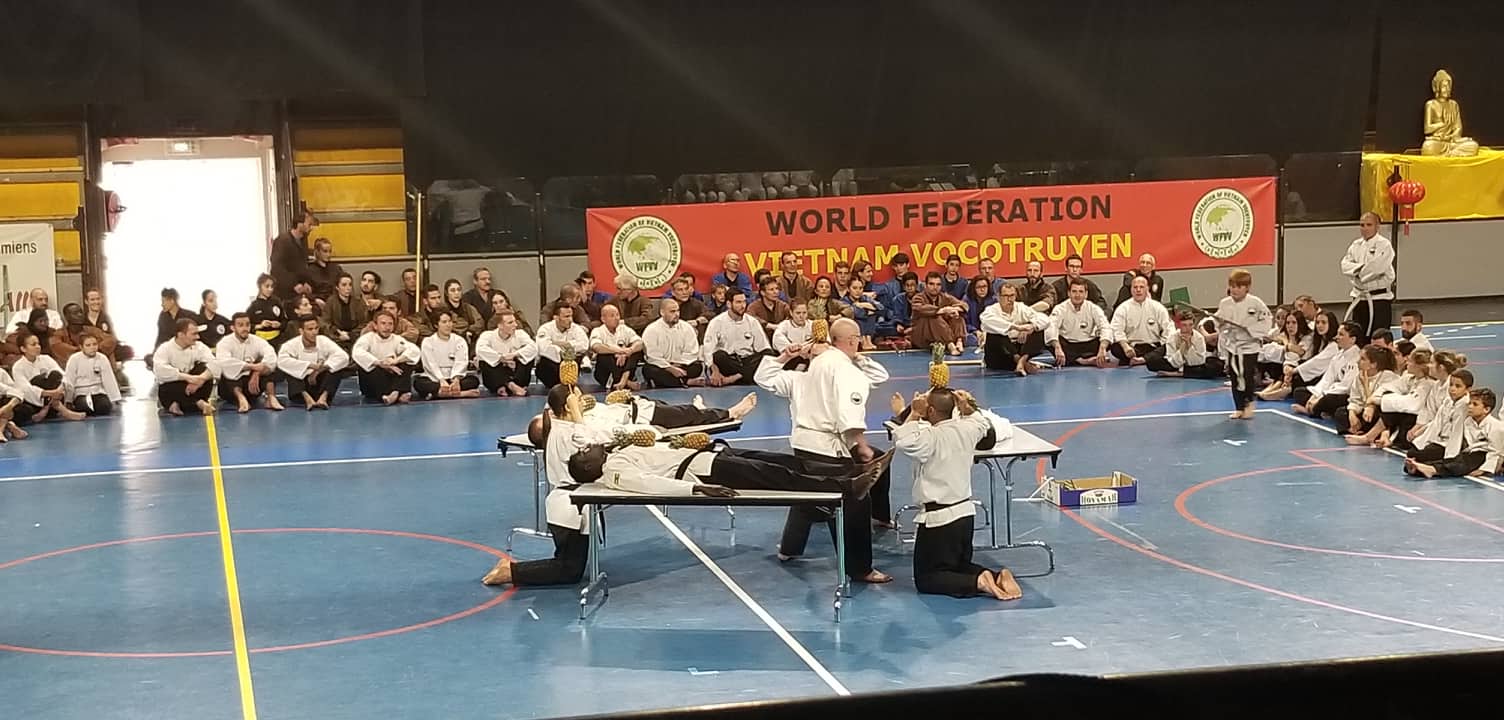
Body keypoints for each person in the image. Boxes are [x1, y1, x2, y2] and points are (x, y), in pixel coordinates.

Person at [756, 318, 894, 584]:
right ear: (853, 340)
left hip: (803, 445)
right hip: (828, 447)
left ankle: (789, 549)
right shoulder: (843, 370)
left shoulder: (806, 373)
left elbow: (763, 377)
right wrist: (861, 444)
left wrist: (785, 356)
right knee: (854, 502)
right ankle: (860, 569)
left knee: (808, 494)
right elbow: (848, 412)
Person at [892, 386, 1023, 600]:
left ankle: (979, 582)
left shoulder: (930, 437)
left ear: (930, 410)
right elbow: (982, 423)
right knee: (957, 565)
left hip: (938, 520)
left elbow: (903, 440)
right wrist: (968, 408)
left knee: (927, 578)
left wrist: (914, 413)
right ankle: (996, 576)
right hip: (964, 514)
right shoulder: (967, 429)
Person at [1213, 269, 1273, 420]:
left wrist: (1251, 330)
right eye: (1232, 286)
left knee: (1246, 374)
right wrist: (1220, 323)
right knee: (1234, 376)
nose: (1235, 290)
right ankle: (1239, 407)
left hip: (1249, 346)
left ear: (1247, 287)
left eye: (1239, 287)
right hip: (1233, 345)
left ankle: (1249, 402)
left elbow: (1267, 320)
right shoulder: (1225, 303)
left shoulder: (1256, 303)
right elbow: (1218, 321)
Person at [1407, 388, 1501, 479]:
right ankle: (1419, 469)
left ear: (1486, 409)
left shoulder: (1495, 426)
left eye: (1475, 404)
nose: (1470, 406)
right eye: (1469, 403)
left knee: (1462, 463)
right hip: (1467, 453)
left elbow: (1495, 452)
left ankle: (1432, 470)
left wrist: (1483, 470)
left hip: (1483, 456)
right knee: (1452, 460)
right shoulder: (1468, 421)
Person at [1404, 370, 1475, 474]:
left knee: (1423, 454)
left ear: (1468, 389)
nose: (1452, 389)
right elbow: (1436, 423)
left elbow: (1457, 432)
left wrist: (1451, 455)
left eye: (1458, 386)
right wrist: (1421, 436)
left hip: (1449, 444)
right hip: (1439, 440)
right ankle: (1419, 466)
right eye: (1451, 385)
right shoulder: (1448, 401)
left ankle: (1422, 467)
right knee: (1412, 452)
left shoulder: (1465, 406)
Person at [1292, 321, 1363, 420]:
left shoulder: (1356, 358)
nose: (1336, 337)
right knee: (1299, 392)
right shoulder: (1339, 355)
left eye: (1341, 334)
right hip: (1330, 390)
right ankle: (1318, 409)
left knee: (1328, 399)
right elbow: (1327, 378)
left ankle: (1312, 410)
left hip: (1344, 394)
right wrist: (1315, 395)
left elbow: (1345, 387)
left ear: (1352, 339)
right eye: (1337, 334)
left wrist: (1322, 396)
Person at [1340, 212, 1396, 337]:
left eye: (1369, 225)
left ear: (1377, 226)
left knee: (1378, 337)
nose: (1365, 228)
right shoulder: (1356, 245)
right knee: (1358, 337)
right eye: (1362, 225)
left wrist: (1358, 273)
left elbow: (1377, 268)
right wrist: (1361, 268)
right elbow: (1344, 265)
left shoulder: (1384, 245)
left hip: (1379, 299)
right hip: (1359, 297)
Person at [702, 287, 772, 386]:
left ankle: (733, 379)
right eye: (738, 302)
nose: (743, 306)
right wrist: (715, 371)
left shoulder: (752, 322)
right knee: (719, 355)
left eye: (744, 302)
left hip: (747, 361)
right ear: (729, 304)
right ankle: (747, 378)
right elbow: (708, 350)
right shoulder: (717, 322)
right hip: (729, 362)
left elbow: (763, 347)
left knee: (768, 354)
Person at [215, 312, 284, 413]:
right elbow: (224, 362)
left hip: (253, 387)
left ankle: (271, 398)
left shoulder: (257, 341)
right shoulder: (224, 343)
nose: (245, 328)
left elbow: (271, 356)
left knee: (269, 369)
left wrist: (257, 372)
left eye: (247, 325)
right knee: (229, 373)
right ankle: (241, 399)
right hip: (230, 389)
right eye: (240, 325)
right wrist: (252, 366)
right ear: (233, 328)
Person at [277, 315, 350, 409]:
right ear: (301, 331)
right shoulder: (291, 345)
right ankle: (308, 399)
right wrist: (310, 366)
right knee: (291, 369)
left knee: (336, 367)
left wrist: (318, 370)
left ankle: (323, 398)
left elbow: (343, 356)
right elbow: (281, 361)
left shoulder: (323, 340)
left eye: (316, 328)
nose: (314, 332)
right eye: (310, 329)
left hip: (320, 386)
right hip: (300, 390)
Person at [12, 331, 87, 422]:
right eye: (33, 344)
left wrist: (58, 390)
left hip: (55, 397)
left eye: (38, 344)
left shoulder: (46, 359)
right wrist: (50, 393)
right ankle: (61, 409)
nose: (38, 347)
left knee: (55, 374)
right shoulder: (18, 367)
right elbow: (25, 388)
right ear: (23, 349)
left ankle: (49, 407)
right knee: (38, 380)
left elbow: (64, 376)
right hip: (35, 402)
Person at [979, 283, 1052, 376]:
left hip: (1018, 347)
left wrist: (1031, 327)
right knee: (996, 333)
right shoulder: (991, 310)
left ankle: (1022, 361)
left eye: (1012, 295)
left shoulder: (1020, 307)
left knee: (1038, 329)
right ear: (998, 297)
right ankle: (1021, 362)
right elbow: (986, 321)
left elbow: (1045, 319)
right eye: (1006, 296)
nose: (1010, 299)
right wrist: (1017, 327)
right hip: (999, 355)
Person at [352, 311, 421, 405]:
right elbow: (358, 353)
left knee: (407, 362)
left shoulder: (396, 339)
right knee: (369, 367)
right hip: (373, 382)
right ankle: (398, 392)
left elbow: (414, 351)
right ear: (375, 326)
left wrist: (395, 361)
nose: (387, 327)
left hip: (391, 379)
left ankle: (395, 392)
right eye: (383, 323)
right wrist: (380, 363)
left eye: (390, 324)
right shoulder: (367, 338)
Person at [152, 318, 218, 416]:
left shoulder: (199, 346)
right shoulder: (165, 349)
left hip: (195, 388)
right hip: (175, 387)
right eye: (194, 334)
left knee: (204, 368)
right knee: (167, 383)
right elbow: (159, 371)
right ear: (181, 335)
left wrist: (201, 379)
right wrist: (188, 378)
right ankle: (198, 403)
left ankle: (176, 405)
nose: (198, 337)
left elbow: (215, 364)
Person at [1109, 275, 1173, 368]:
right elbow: (1116, 330)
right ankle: (1142, 358)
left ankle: (1143, 359)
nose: (1138, 290)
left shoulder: (1158, 307)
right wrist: (1125, 346)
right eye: (1135, 287)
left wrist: (1165, 343)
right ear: (1131, 289)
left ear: (1147, 289)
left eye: (1141, 287)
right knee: (1115, 348)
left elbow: (1169, 329)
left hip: (1153, 347)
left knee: (1169, 346)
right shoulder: (1123, 308)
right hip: (1132, 347)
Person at [414, 311, 481, 400]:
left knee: (473, 381)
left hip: (454, 378)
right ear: (436, 325)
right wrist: (441, 380)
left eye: (450, 321)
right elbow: (430, 364)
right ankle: (461, 394)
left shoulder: (459, 340)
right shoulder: (428, 342)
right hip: (435, 379)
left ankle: (438, 394)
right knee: (419, 383)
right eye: (444, 322)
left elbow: (461, 361)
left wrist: (456, 380)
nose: (448, 325)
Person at [1338, 344, 1401, 439]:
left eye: (1363, 359)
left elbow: (1375, 401)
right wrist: (1352, 414)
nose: (1358, 361)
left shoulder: (1388, 376)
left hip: (1378, 412)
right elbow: (1354, 399)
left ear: (1373, 364)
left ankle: (1369, 433)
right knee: (1341, 412)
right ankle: (1356, 430)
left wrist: (1365, 385)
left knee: (1376, 415)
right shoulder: (1360, 376)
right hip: (1364, 410)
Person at [642, 299, 705, 388]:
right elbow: (652, 356)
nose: (676, 314)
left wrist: (677, 364)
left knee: (697, 366)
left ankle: (669, 382)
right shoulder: (651, 330)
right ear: (662, 312)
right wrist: (669, 368)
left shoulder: (686, 327)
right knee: (649, 369)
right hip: (662, 367)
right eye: (672, 311)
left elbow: (691, 352)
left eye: (678, 311)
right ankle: (687, 381)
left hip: (682, 365)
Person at [1049, 279, 1111, 368]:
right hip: (1068, 345)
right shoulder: (1060, 308)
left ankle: (1075, 360)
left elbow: (1105, 327)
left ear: (1086, 294)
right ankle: (1083, 361)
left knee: (1109, 339)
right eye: (1074, 291)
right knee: (1049, 340)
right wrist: (1057, 347)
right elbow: (1052, 327)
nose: (1077, 295)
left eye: (1081, 292)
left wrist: (1102, 348)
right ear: (1069, 293)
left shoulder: (1093, 308)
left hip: (1088, 344)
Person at [476, 308, 537, 396]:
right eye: (510, 323)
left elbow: (533, 347)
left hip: (515, 372)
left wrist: (514, 355)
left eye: (515, 321)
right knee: (485, 362)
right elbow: (480, 349)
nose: (515, 325)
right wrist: (501, 358)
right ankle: (509, 385)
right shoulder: (487, 335)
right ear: (500, 325)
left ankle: (511, 385)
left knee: (528, 357)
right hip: (497, 374)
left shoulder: (520, 333)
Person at [1148, 312, 1225, 379]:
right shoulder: (1172, 337)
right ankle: (1187, 372)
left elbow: (1198, 362)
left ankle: (1179, 374)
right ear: (1178, 325)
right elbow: (1173, 362)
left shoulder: (1199, 338)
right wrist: (1182, 349)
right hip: (1178, 365)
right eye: (1184, 325)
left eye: (1190, 325)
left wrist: (1188, 346)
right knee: (1152, 362)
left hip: (1194, 366)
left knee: (1216, 366)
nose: (1188, 328)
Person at [910, 272, 968, 356]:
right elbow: (920, 308)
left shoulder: (944, 297)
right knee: (933, 317)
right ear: (925, 285)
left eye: (938, 284)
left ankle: (959, 342)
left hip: (940, 337)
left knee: (957, 316)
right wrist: (943, 310)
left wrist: (954, 309)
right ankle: (950, 345)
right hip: (922, 336)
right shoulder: (918, 297)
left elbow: (965, 305)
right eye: (931, 284)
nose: (935, 287)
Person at [534, 303, 591, 389]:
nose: (570, 320)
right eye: (566, 317)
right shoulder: (545, 329)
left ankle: (569, 382)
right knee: (545, 362)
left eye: (571, 316)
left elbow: (584, 345)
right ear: (556, 318)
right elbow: (544, 348)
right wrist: (565, 349)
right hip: (551, 366)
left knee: (575, 358)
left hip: (570, 362)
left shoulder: (576, 328)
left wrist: (560, 343)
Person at [63, 333, 121, 416]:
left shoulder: (102, 358)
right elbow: (69, 380)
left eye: (94, 344)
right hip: (81, 393)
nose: (92, 347)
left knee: (104, 407)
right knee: (85, 407)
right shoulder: (74, 359)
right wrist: (68, 401)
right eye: (88, 345)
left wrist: (114, 399)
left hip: (98, 392)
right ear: (81, 347)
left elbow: (109, 379)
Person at [590, 304, 644, 391]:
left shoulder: (624, 329)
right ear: (603, 319)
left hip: (625, 368)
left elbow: (640, 343)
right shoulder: (598, 331)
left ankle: (623, 380)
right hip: (606, 373)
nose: (616, 318)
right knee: (604, 355)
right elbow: (596, 347)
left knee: (635, 351)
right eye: (612, 316)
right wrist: (618, 351)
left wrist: (629, 351)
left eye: (617, 315)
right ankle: (627, 382)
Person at [269, 209, 318, 301]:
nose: (311, 228)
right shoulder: (282, 241)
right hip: (284, 294)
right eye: (309, 224)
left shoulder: (302, 242)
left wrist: (306, 282)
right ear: (300, 224)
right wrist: (293, 284)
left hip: (299, 291)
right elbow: (277, 267)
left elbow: (302, 267)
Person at [320, 272, 370, 350]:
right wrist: (337, 333)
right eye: (344, 285)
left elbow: (364, 323)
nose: (348, 288)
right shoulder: (331, 302)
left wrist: (350, 335)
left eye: (350, 285)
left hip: (355, 338)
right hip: (336, 338)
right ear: (337, 287)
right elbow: (325, 323)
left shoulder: (358, 301)